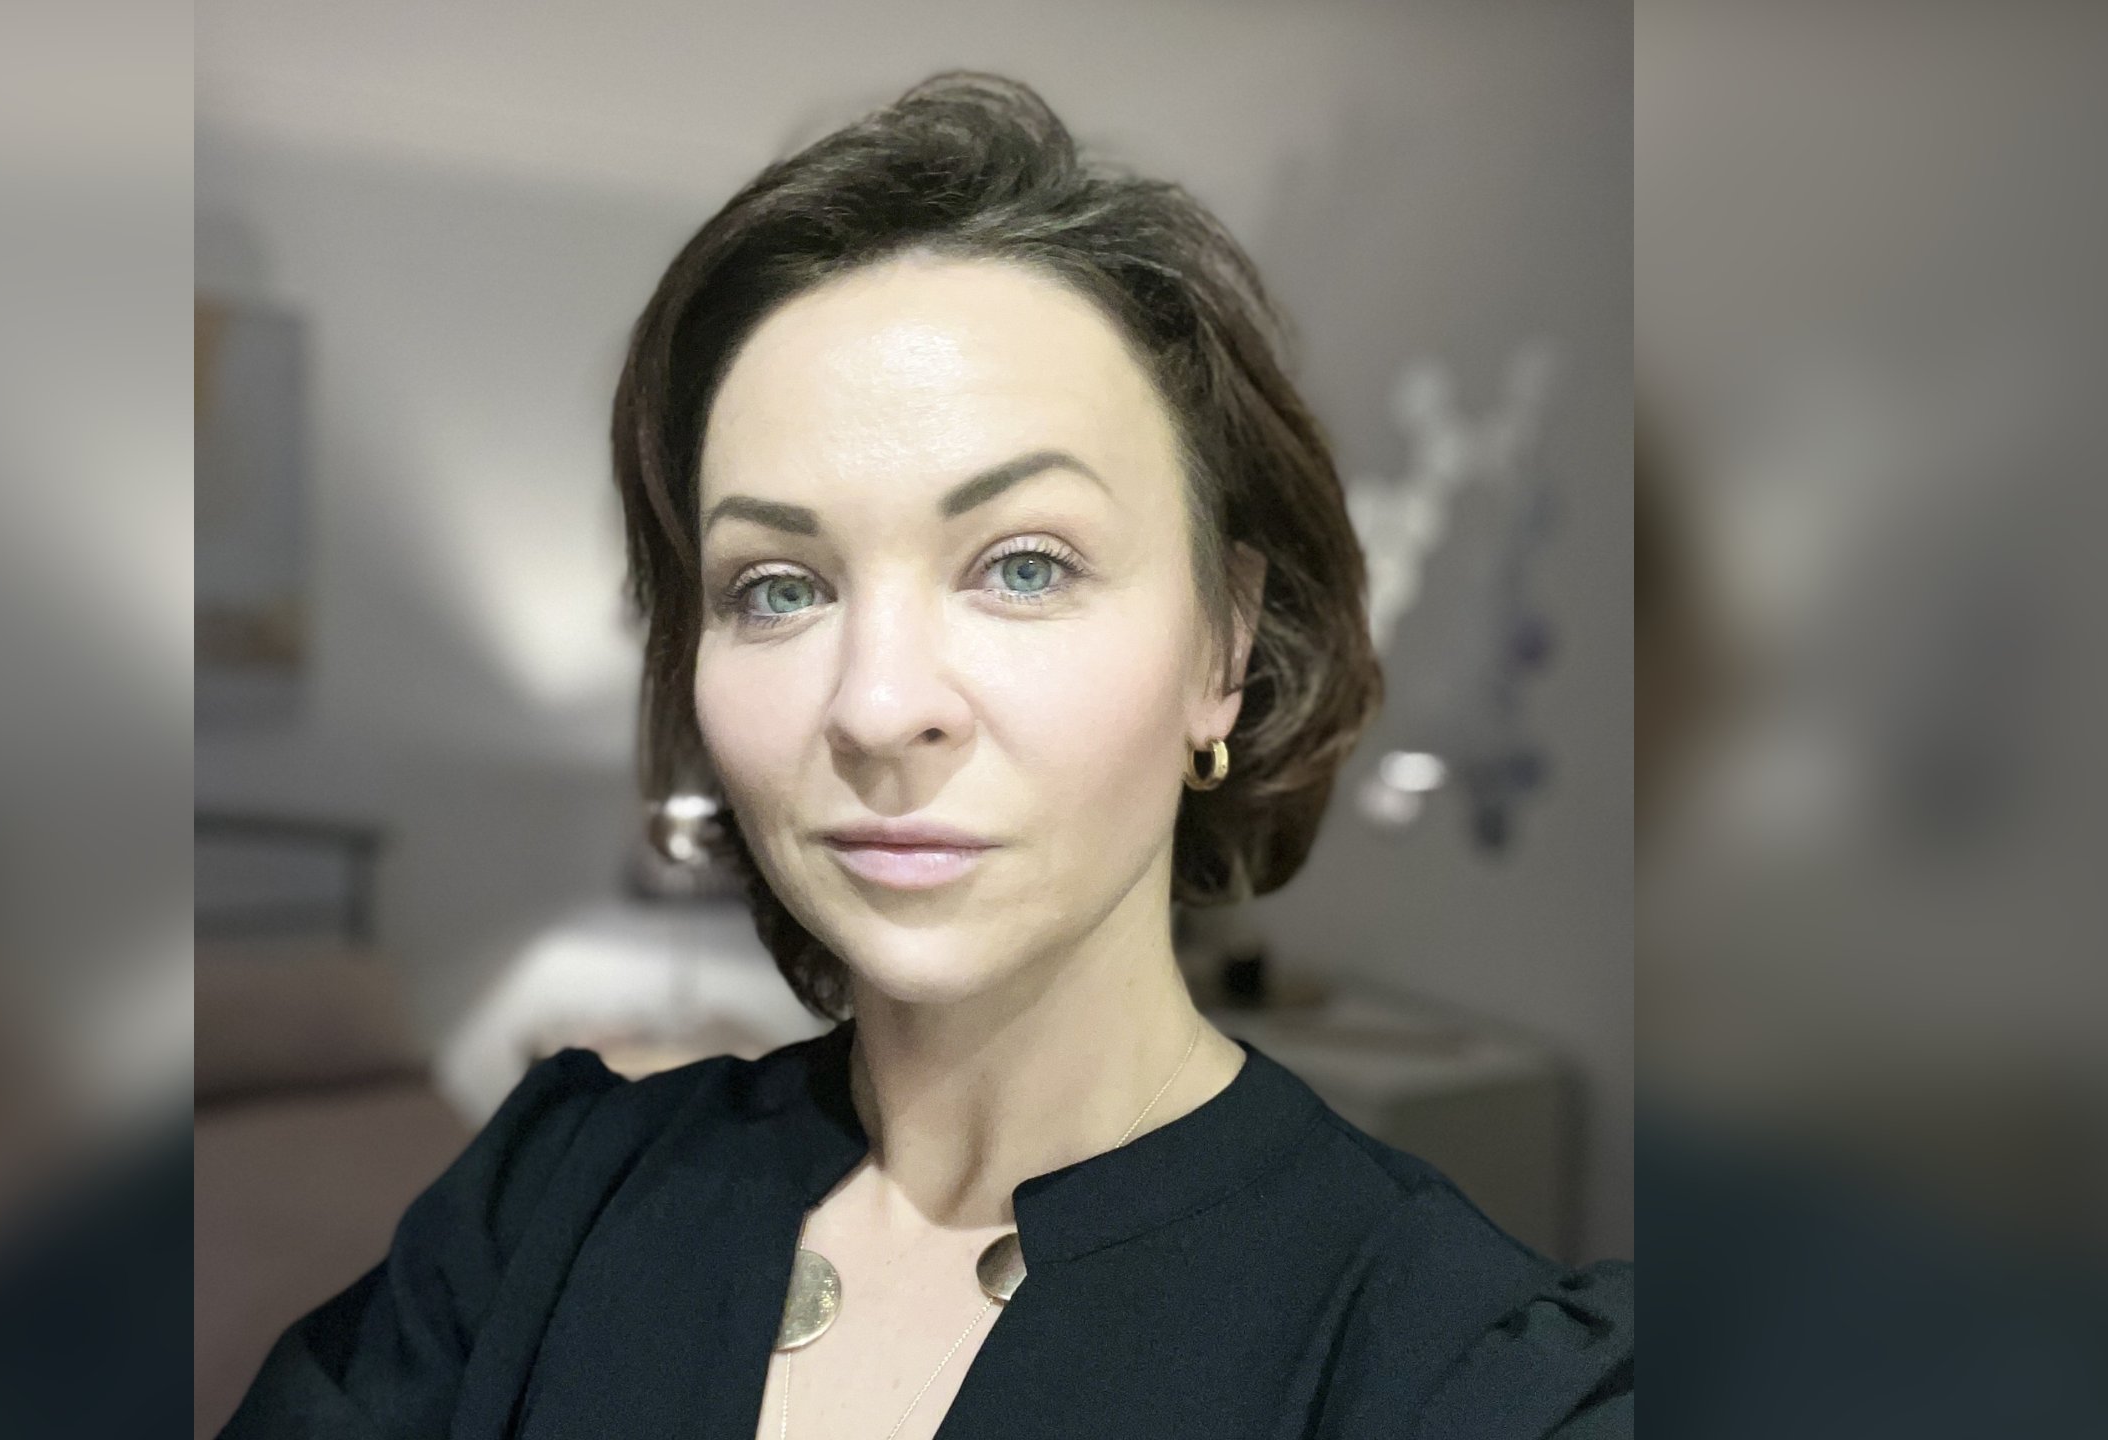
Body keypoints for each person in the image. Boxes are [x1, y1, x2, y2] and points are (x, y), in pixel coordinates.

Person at [221, 72, 1631, 1440]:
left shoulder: (1456, 1365)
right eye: (776, 586)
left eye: (1023, 565)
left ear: (1222, 647)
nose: (879, 705)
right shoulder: (541, 1205)